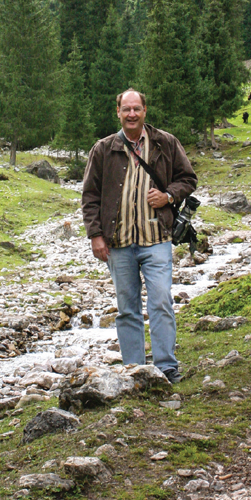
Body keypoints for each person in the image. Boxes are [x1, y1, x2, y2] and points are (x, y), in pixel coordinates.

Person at [81, 88, 197, 384]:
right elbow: (90, 195)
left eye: (136, 109)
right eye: (126, 109)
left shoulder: (165, 143)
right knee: (127, 308)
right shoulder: (103, 149)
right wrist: (96, 235)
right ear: (117, 112)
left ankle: (166, 367)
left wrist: (169, 196)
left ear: (145, 111)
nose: (131, 114)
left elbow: (188, 179)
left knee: (160, 301)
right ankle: (133, 369)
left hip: (156, 238)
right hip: (117, 243)